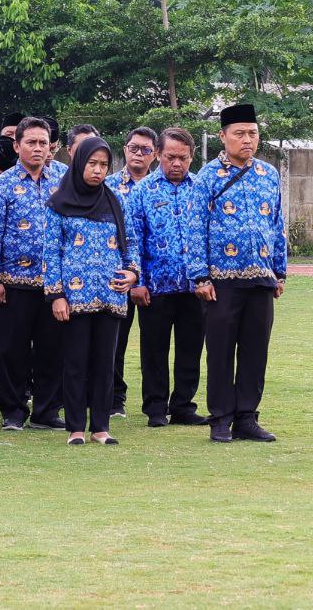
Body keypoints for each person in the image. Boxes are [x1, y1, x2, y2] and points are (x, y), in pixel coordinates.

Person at [188, 103, 286, 444]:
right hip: (221, 281)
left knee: (255, 351)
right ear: (223, 136)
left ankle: (247, 417)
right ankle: (220, 419)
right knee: (220, 351)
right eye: (240, 134)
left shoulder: (269, 175)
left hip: (261, 277)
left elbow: (277, 224)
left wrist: (280, 272)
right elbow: (194, 228)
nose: (247, 140)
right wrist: (200, 276)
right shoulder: (206, 177)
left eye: (253, 134)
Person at [43, 137, 140, 446]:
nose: (98, 171)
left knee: (104, 363)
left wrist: (133, 272)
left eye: (103, 165)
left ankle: (100, 426)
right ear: (78, 163)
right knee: (75, 363)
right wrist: (56, 295)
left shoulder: (116, 201)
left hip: (111, 295)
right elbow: (50, 252)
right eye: (92, 164)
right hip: (74, 298)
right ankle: (75, 428)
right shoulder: (59, 203)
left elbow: (132, 244)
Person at [0, 116, 66, 431]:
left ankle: (46, 412)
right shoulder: (1, 186)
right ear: (17, 145)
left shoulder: (64, 179)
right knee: (10, 350)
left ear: (51, 147)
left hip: (54, 284)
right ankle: (13, 413)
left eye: (42, 143)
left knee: (52, 350)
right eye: (30, 142)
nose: (37, 148)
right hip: (12, 284)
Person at [126, 127, 207, 427]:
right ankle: (156, 408)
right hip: (155, 287)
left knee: (190, 348)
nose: (176, 163)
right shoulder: (142, 191)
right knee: (154, 350)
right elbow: (133, 240)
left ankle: (184, 405)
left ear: (191, 157)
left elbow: (207, 237)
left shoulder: (201, 189)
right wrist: (137, 282)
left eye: (183, 158)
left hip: (193, 286)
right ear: (158, 154)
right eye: (171, 157)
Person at [105, 126, 157, 417]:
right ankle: (113, 400)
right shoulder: (108, 186)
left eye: (146, 150)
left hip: (156, 280)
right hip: (119, 278)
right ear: (124, 149)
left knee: (153, 346)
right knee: (115, 343)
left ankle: (155, 404)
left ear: (155, 154)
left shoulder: (159, 186)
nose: (139, 154)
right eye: (134, 148)